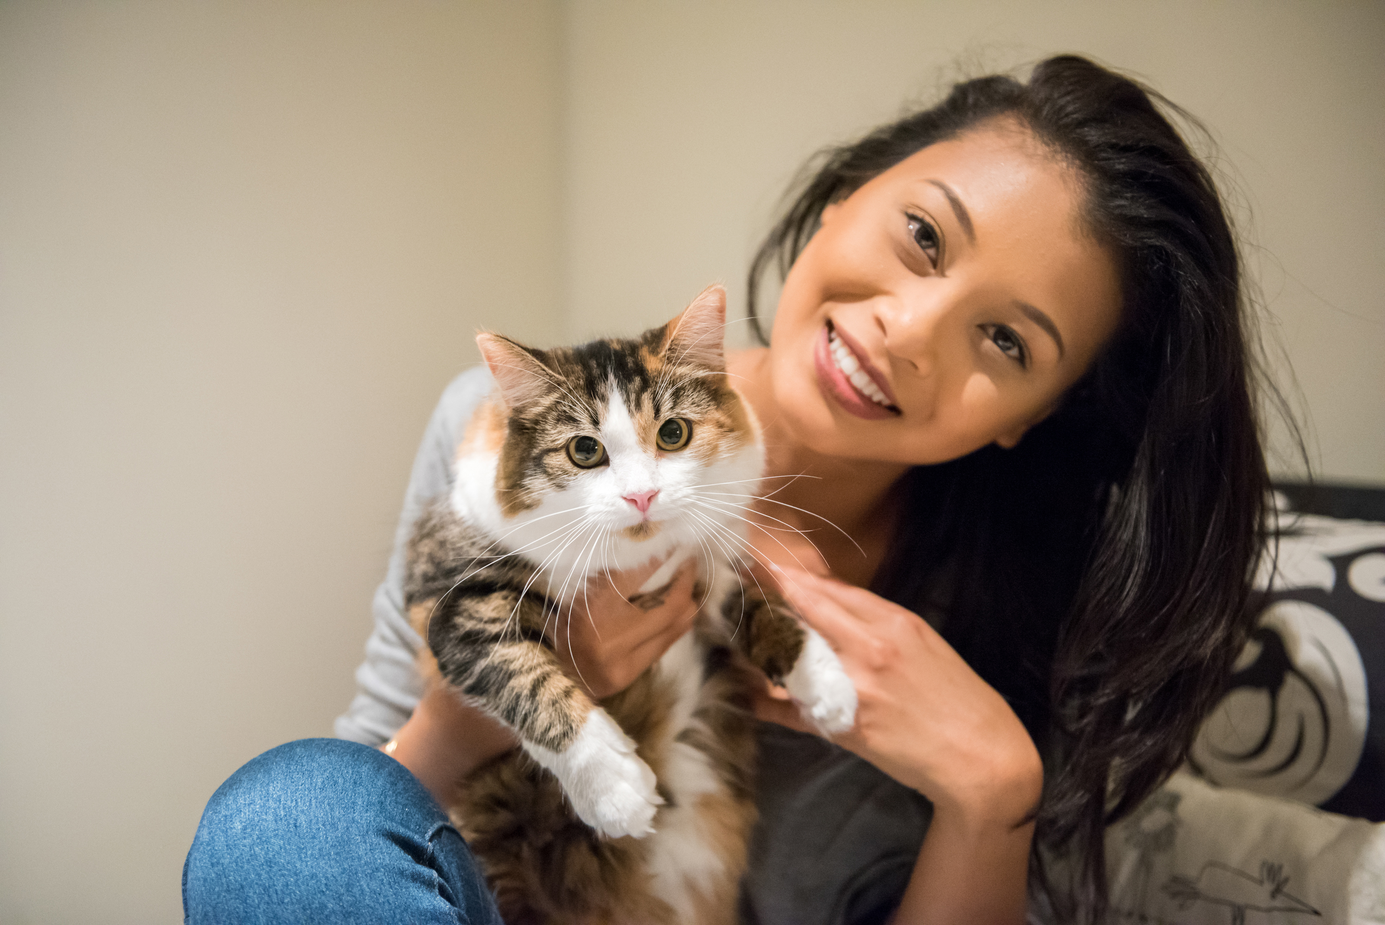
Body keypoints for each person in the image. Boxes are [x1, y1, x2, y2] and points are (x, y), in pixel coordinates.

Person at [184, 55, 1275, 924]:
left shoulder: (995, 608)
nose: (907, 331)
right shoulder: (500, 431)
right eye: (923, 237)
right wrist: (487, 709)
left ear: (1030, 417)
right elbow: (356, 826)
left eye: (1002, 337)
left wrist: (991, 794)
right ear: (845, 196)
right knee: (282, 821)